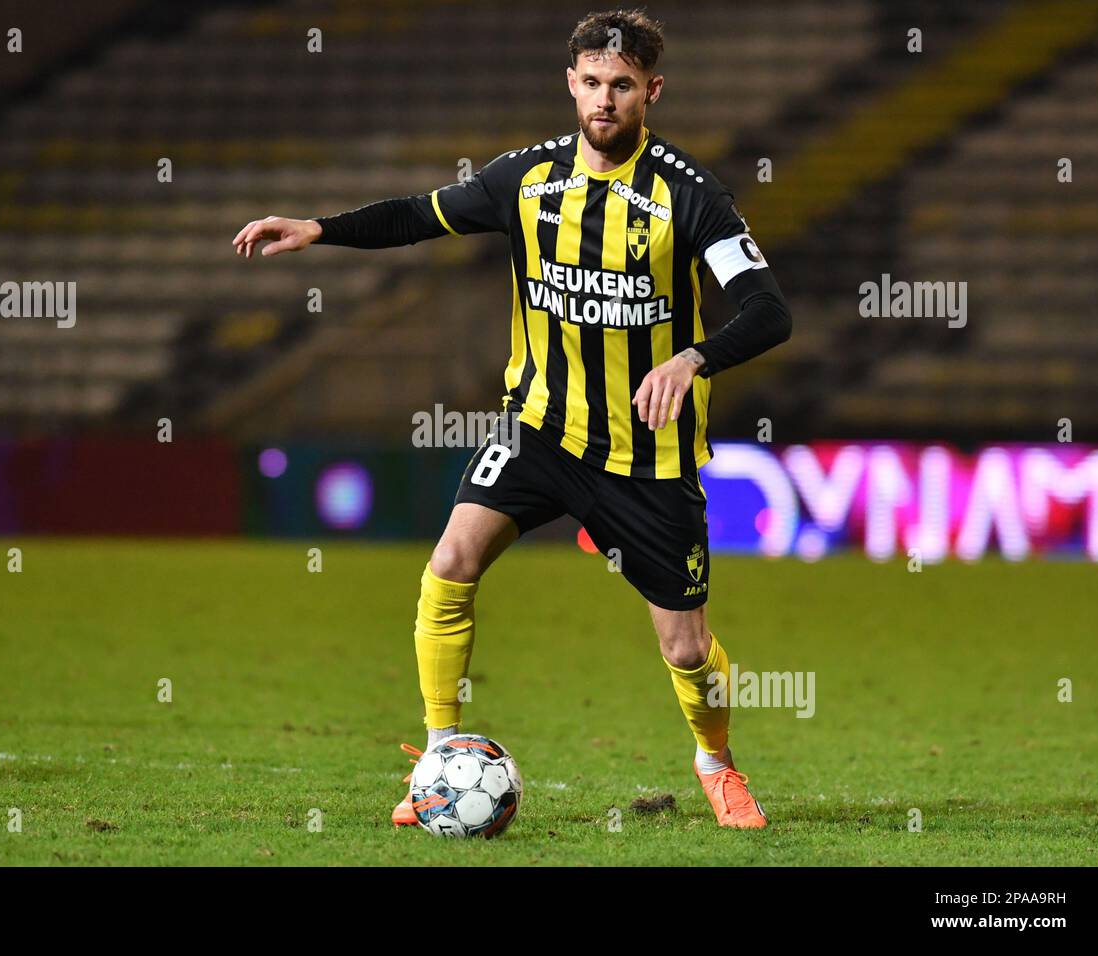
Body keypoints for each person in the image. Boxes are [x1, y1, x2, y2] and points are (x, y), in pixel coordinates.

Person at [233, 8, 791, 830]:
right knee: (451, 562)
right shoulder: (525, 179)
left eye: (624, 86)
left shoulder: (691, 196)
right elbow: (420, 215)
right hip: (537, 426)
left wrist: (692, 357)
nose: (605, 100)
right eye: (593, 83)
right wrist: (321, 228)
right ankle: (436, 761)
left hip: (647, 454)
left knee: (683, 648)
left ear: (652, 92)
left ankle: (716, 763)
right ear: (571, 83)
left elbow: (769, 311)